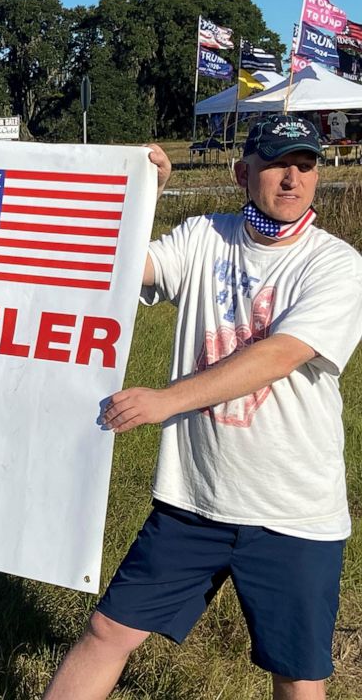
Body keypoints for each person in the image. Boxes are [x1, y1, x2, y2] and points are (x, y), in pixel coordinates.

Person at [44, 116, 362, 700]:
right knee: (107, 630)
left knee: (297, 675)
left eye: (306, 165)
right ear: (244, 172)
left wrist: (166, 400)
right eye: (276, 164)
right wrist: (145, 192)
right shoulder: (202, 236)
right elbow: (121, 266)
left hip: (292, 508)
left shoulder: (336, 263)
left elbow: (280, 355)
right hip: (195, 499)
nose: (292, 178)